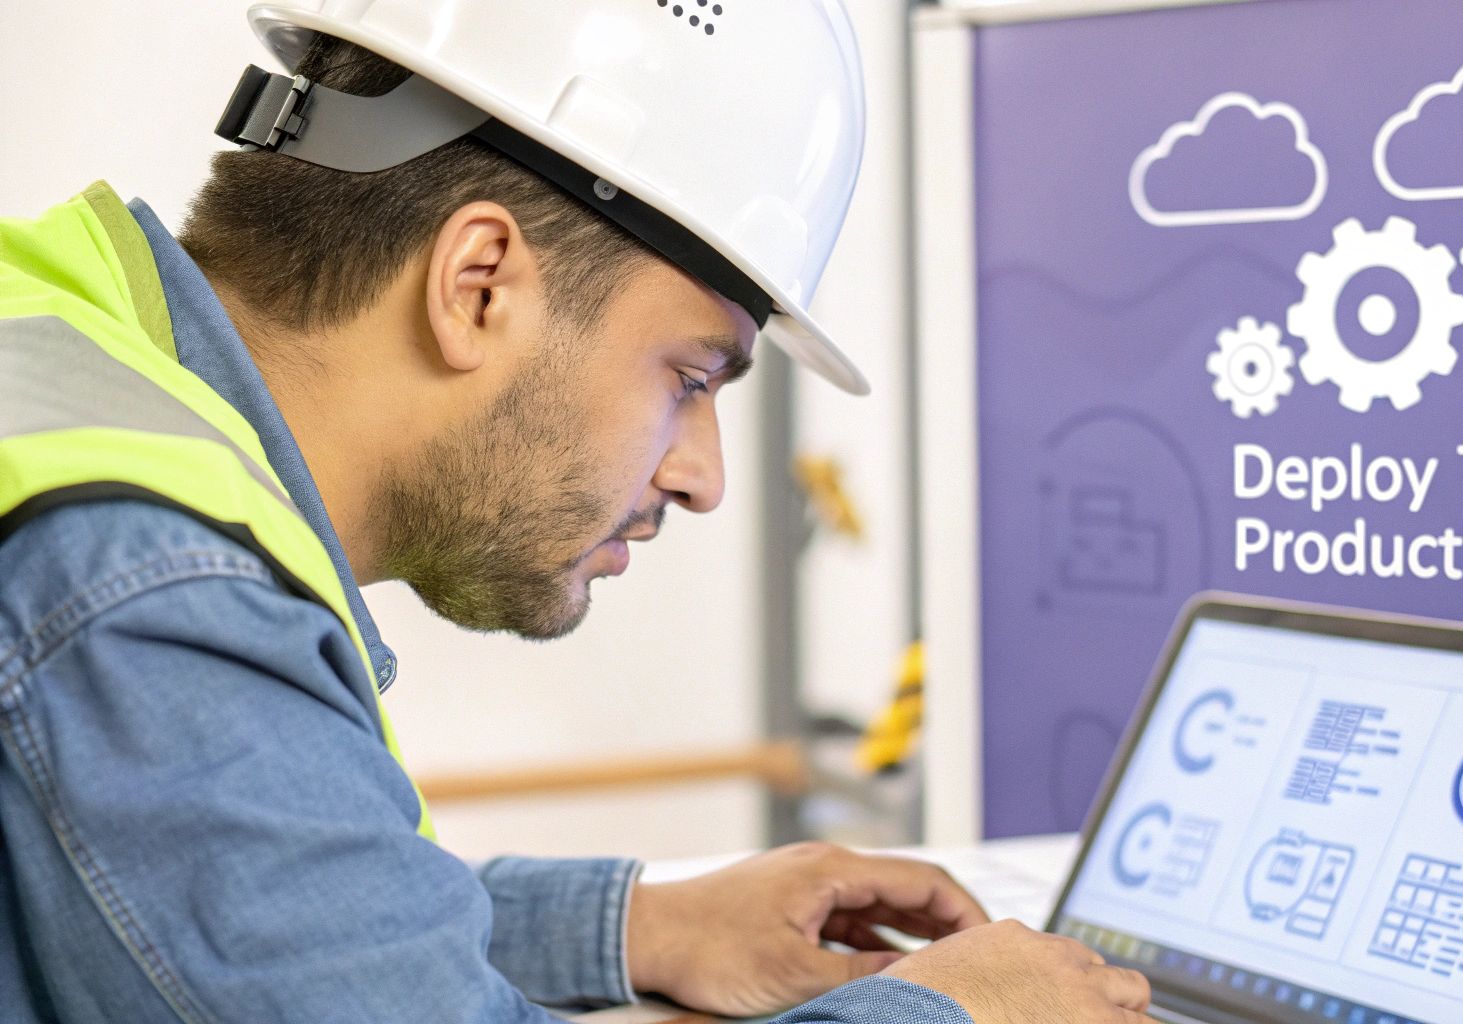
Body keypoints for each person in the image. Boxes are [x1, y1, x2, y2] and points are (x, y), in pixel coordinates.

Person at [0, 2, 1152, 1022]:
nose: (701, 475)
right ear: (479, 284)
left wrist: (638, 922)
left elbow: (274, 909)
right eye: (690, 379)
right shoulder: (143, 586)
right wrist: (950, 1015)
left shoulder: (63, 366)